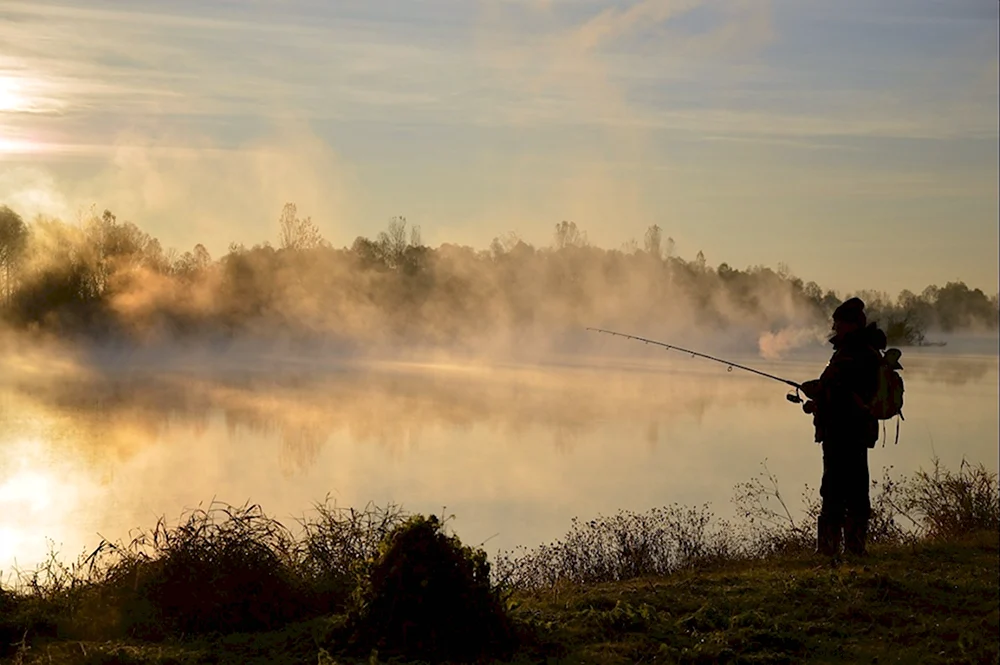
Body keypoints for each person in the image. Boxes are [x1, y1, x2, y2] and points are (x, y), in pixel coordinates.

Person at [800, 297, 887, 557]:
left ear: (849, 324)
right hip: (852, 431)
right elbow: (840, 393)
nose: (834, 326)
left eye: (837, 322)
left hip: (844, 432)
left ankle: (830, 550)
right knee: (854, 488)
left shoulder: (853, 353)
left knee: (836, 490)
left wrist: (816, 393)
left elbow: (839, 392)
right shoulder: (861, 350)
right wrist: (818, 400)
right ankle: (853, 549)